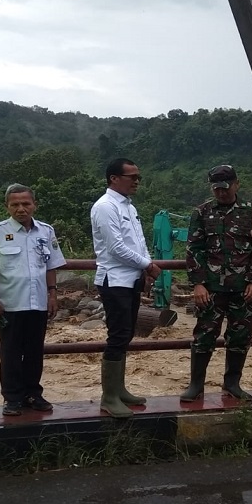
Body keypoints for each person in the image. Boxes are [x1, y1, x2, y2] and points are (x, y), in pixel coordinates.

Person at [181, 165, 252, 403]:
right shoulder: (201, 212)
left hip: (243, 289)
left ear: (236, 184)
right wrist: (198, 284)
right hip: (211, 290)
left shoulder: (251, 211)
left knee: (240, 337)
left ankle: (232, 384)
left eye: (225, 187)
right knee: (204, 337)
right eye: (216, 188)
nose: (221, 192)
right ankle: (196, 385)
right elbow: (194, 249)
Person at [0, 184, 66, 415]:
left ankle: (33, 394)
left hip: (37, 303)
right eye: (15, 204)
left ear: (34, 205)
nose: (21, 209)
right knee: (10, 352)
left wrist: (52, 294)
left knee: (35, 351)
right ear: (7, 206)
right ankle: (12, 398)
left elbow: (51, 265)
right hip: (9, 303)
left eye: (26, 204)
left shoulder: (46, 231)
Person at [90, 158, 162, 418]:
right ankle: (108, 397)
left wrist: (144, 268)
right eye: (132, 176)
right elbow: (115, 248)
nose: (136, 181)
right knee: (118, 335)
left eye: (137, 176)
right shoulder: (106, 206)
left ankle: (119, 390)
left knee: (127, 334)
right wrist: (149, 265)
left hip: (130, 279)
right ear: (113, 178)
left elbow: (138, 242)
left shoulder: (128, 207)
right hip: (114, 280)